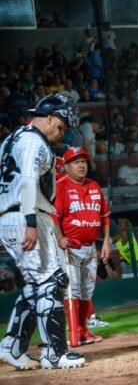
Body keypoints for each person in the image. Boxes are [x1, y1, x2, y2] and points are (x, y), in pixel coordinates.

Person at [0, 94, 86, 370]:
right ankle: (54, 353)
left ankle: (12, 346)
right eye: (60, 126)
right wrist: (31, 223)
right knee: (51, 281)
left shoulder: (11, 139)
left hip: (13, 213)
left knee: (38, 285)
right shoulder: (33, 141)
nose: (61, 134)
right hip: (26, 213)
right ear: (48, 117)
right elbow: (26, 181)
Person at [51, 147, 111, 347]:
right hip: (69, 248)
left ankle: (83, 330)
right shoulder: (61, 186)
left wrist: (106, 241)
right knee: (73, 290)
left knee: (87, 290)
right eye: (76, 162)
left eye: (83, 161)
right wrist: (60, 237)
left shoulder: (94, 186)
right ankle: (75, 331)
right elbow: (54, 216)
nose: (81, 165)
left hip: (90, 246)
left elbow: (104, 215)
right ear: (66, 166)